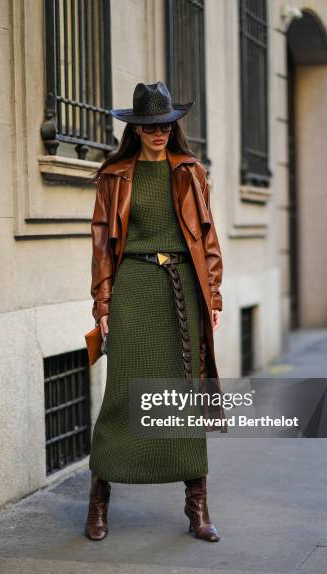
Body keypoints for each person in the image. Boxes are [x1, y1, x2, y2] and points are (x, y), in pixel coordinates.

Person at [85, 81, 224, 543]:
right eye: (150, 126)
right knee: (123, 393)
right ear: (136, 129)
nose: (159, 133)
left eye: (166, 125)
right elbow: (103, 247)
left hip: (182, 288)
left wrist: (215, 297)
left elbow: (207, 240)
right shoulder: (114, 176)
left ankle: (197, 506)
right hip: (134, 288)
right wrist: (103, 304)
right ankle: (99, 501)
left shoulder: (191, 172)